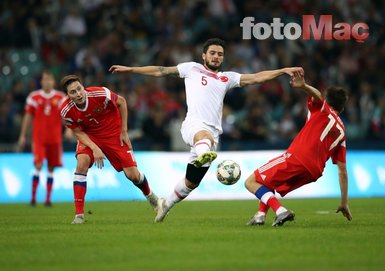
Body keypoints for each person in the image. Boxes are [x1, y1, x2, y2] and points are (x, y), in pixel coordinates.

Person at [109, 38, 303, 223]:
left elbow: (256, 77)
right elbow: (160, 70)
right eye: (212, 53)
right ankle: (205, 153)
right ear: (204, 55)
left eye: (220, 54)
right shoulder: (191, 68)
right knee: (204, 137)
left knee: (191, 183)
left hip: (212, 136)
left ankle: (164, 205)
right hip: (193, 126)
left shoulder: (227, 78)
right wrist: (131, 69)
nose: (216, 56)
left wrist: (283, 70)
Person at [245, 71, 353, 226]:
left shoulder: (323, 109)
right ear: (342, 109)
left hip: (298, 157)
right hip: (314, 172)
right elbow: (342, 170)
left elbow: (317, 96)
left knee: (251, 181)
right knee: (269, 182)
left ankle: (281, 211)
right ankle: (260, 215)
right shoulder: (342, 132)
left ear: (328, 101)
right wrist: (344, 202)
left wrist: (304, 86)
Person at [60, 75, 158, 224]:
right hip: (90, 136)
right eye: (73, 92)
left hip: (113, 133)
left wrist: (124, 131)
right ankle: (79, 215)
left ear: (83, 87)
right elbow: (78, 132)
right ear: (68, 95)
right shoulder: (66, 111)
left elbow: (122, 102)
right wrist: (94, 148)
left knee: (132, 175)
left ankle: (152, 197)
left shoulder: (99, 94)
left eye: (79, 89)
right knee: (81, 164)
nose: (78, 94)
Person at [18, 70, 67, 206]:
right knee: (38, 165)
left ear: (53, 82)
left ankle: (47, 199)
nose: (47, 82)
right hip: (39, 139)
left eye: (50, 80)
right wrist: (22, 135)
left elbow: (66, 116)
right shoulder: (33, 97)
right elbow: (27, 117)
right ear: (41, 81)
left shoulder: (61, 97)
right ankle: (33, 197)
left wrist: (68, 130)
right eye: (45, 80)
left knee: (51, 168)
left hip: (55, 139)